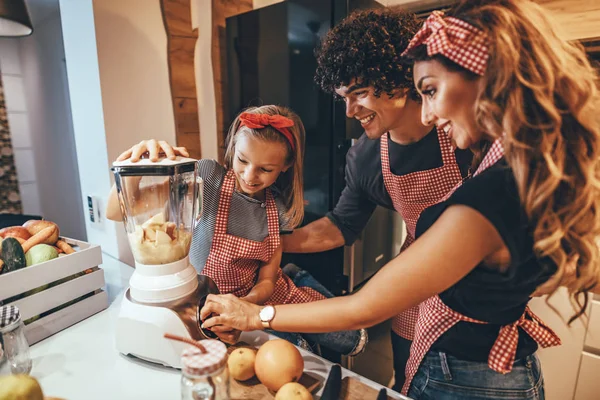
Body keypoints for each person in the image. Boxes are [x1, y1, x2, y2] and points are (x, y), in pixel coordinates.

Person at [200, 1, 600, 398]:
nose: (428, 115)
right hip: (439, 331)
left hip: (470, 361)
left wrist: (258, 313)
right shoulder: (515, 166)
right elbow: (342, 225)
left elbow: (364, 307)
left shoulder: (487, 181)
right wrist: (264, 244)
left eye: (430, 90)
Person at [282, 7, 472, 390]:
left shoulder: (461, 130)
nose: (351, 112)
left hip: (474, 298)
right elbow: (341, 225)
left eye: (360, 94)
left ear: (397, 78)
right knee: (409, 382)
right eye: (344, 98)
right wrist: (274, 241)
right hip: (410, 292)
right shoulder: (367, 157)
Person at [106, 105, 366, 356]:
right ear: (233, 149)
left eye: (265, 169)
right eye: (242, 160)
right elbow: (115, 212)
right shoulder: (207, 180)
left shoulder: (277, 208)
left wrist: (246, 307)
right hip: (205, 303)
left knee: (334, 340)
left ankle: (297, 281)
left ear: (286, 166)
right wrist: (136, 163)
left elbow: (267, 279)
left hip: (255, 302)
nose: (250, 175)